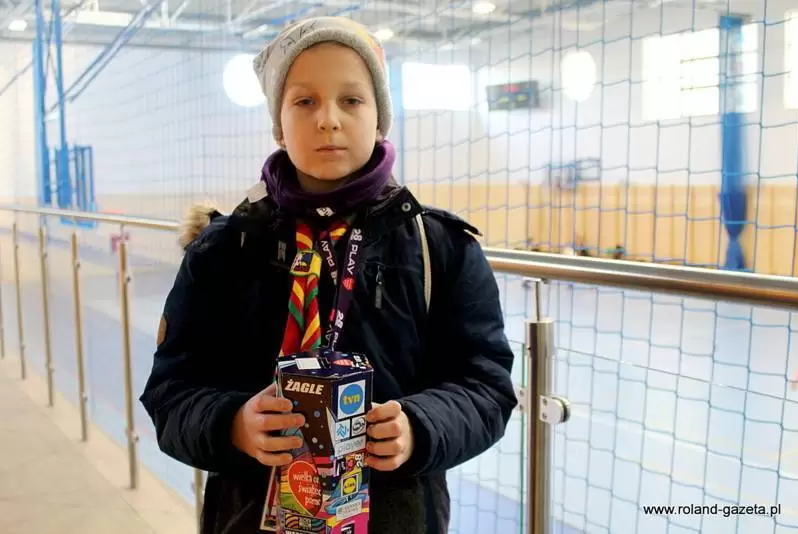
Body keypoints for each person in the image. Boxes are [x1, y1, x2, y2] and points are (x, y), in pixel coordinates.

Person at [139, 16, 518, 534]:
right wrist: (233, 424)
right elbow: (171, 392)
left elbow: (486, 386)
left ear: (379, 117)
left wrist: (419, 426)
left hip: (395, 518)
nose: (328, 120)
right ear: (278, 123)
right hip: (251, 517)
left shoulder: (439, 249)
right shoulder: (223, 251)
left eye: (352, 100)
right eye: (304, 101)